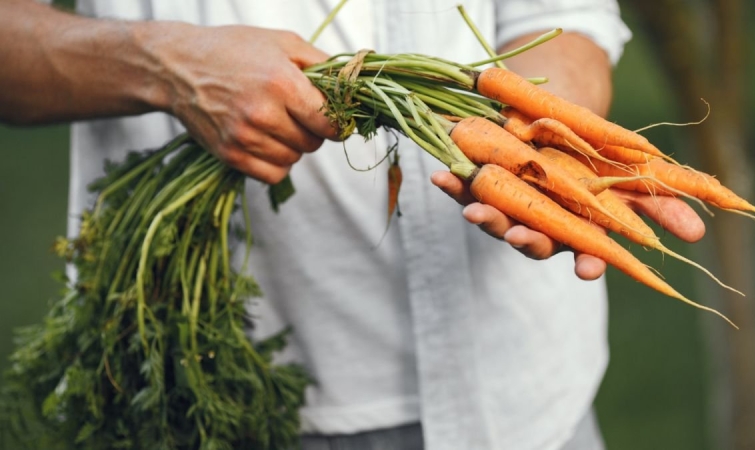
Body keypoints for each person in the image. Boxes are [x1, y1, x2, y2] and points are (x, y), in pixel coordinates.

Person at [0, 0, 705, 448]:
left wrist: (547, 134)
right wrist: (165, 65)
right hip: (245, 397)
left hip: (525, 401)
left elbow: (564, 18)